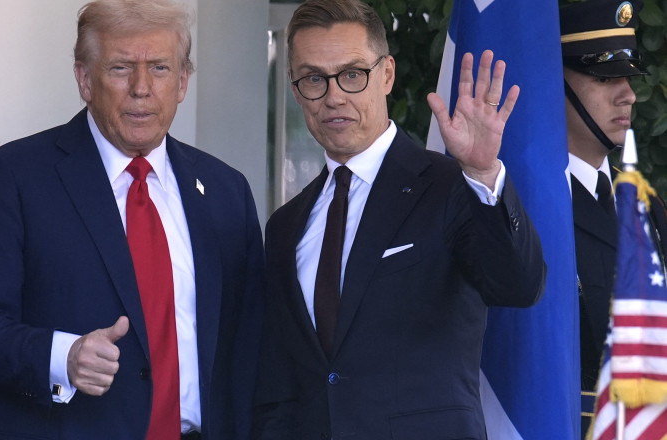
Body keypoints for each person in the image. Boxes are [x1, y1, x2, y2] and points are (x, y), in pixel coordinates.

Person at [0, 0, 263, 439]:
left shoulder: (226, 191)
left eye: (159, 68)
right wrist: (63, 357)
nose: (141, 87)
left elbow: (248, 348)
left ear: (184, 81)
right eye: (119, 68)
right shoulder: (11, 178)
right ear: (84, 79)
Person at [251, 0, 547, 438]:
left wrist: (483, 174)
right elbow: (280, 383)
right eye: (314, 78)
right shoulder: (286, 225)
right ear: (296, 91)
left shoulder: (451, 185)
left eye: (352, 74)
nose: (334, 96)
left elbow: (519, 285)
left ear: (386, 74)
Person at [559, 0, 667, 436]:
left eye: (628, 77)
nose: (627, 93)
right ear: (554, 84)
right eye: (605, 77)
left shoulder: (644, 203)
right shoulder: (524, 204)